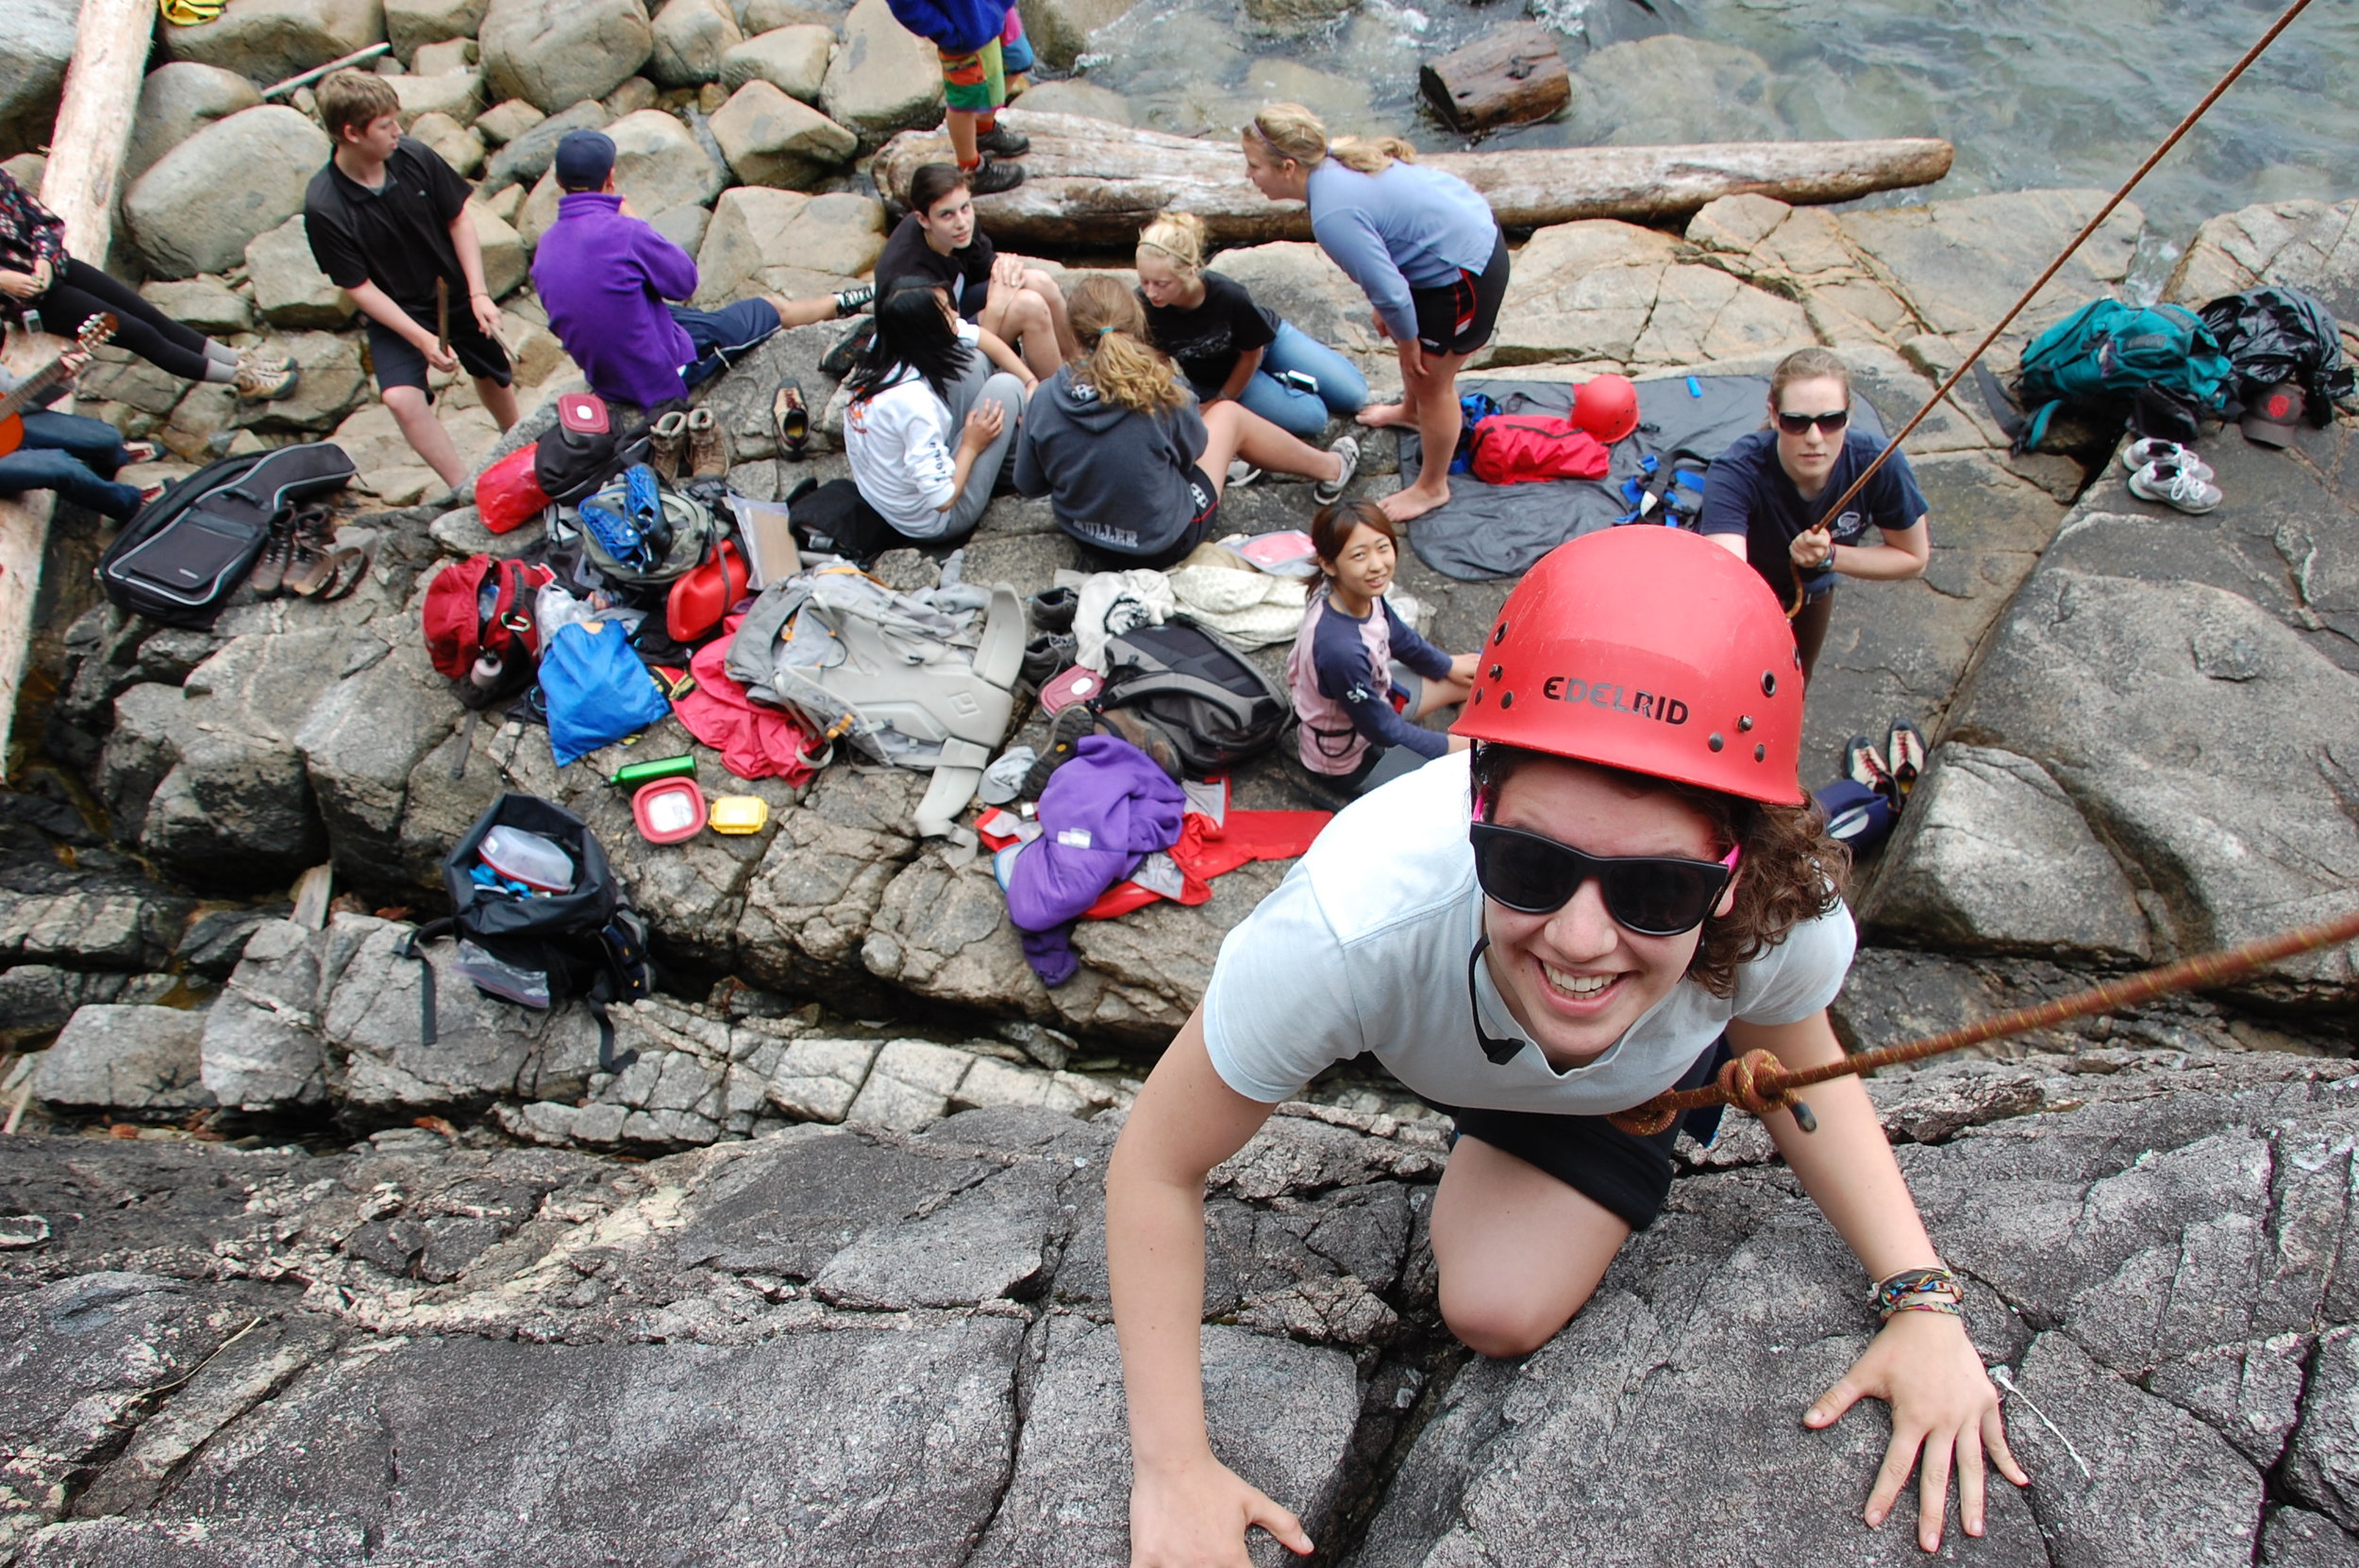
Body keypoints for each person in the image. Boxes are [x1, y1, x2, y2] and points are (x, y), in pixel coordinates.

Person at [1106, 525, 2023, 1566]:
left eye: (1654, 890)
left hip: (1630, 1074)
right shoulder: (1349, 928)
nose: (1581, 938)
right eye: (1529, 866)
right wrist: (1172, 1468)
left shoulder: (1783, 917)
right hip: (1459, 1030)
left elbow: (1796, 1075)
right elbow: (1158, 1161)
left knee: (1497, 1307)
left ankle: (1703, 980)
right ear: (1475, 809)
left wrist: (1921, 1300)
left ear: (1730, 877)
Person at [1240, 103, 1508, 524]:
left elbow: (1394, 295)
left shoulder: (1331, 213)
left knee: (1432, 379)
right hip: (1443, 249)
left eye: (1253, 165)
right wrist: (1395, 316)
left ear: (1288, 166)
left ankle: (1432, 486)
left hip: (1465, 269)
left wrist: (1407, 343)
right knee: (1415, 357)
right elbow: (1386, 260)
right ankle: (1411, 412)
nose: (1248, 175)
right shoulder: (1332, 168)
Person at [1013, 274, 1358, 568]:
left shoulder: (1045, 397)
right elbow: (1194, 449)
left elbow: (1030, 484)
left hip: (1086, 538)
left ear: (1073, 336)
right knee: (1229, 416)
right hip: (1164, 543)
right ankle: (1332, 468)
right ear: (1137, 327)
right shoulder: (1162, 391)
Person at [531, 129, 873, 418]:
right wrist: (634, 220)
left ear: (559, 181)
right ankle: (842, 302)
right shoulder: (625, 232)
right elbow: (684, 282)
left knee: (670, 312)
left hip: (605, 379)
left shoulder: (545, 248)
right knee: (771, 308)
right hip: (662, 379)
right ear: (611, 177)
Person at [304, 69, 517, 492]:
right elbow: (357, 286)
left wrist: (478, 293)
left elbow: (459, 219)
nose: (397, 131)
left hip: (454, 289)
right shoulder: (325, 205)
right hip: (396, 308)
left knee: (493, 371)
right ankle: (463, 487)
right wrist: (421, 338)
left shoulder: (414, 157)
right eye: (385, 125)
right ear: (351, 133)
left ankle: (519, 441)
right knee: (401, 399)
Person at [1698, 347, 1931, 685]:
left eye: (1830, 421)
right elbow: (1728, 578)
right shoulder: (1736, 472)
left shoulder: (1878, 464)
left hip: (1812, 591)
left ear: (1848, 417)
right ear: (1774, 416)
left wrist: (1830, 557)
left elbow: (1913, 557)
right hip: (1749, 587)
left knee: (1795, 683)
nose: (1814, 438)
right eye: (1796, 422)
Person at [0, 164, 293, 402]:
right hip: (34, 304)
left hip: (58, 270)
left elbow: (43, 221)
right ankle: (240, 379)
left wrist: (45, 259)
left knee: (150, 315)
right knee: (140, 334)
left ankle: (236, 360)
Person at [1287, 500, 1473, 794]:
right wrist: (1452, 746)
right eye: (1359, 555)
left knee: (1479, 674)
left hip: (1378, 696)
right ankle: (1468, 749)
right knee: (1457, 786)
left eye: (1383, 547)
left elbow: (1398, 636)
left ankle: (1471, 741)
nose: (1377, 565)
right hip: (1353, 758)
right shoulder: (1340, 650)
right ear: (1328, 564)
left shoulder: (1358, 590)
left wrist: (1447, 666)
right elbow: (1382, 729)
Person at [1134, 210, 1367, 441]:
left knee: (1354, 396)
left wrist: (1221, 402)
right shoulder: (1144, 306)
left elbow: (1252, 353)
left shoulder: (1228, 295)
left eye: (1161, 283)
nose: (1150, 291)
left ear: (1190, 272)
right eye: (1144, 281)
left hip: (1265, 344)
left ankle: (1284, 379)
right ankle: (1285, 389)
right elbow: (1157, 358)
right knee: (1314, 419)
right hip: (1218, 375)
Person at [843, 279, 1032, 545]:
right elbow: (942, 499)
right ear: (926, 331)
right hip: (933, 520)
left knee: (972, 360)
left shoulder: (882, 351)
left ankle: (1001, 460)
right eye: (946, 312)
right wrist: (970, 445)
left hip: (894, 491)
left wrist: (1032, 381)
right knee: (1006, 386)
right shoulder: (912, 403)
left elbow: (973, 335)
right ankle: (1018, 466)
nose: (956, 314)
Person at [875, 165, 1075, 381]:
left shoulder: (959, 230)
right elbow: (957, 350)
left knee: (1039, 281)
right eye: (947, 215)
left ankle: (1078, 363)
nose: (962, 222)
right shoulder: (911, 276)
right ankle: (1059, 393)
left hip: (957, 306)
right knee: (1029, 306)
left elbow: (985, 264)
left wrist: (1004, 268)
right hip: (939, 347)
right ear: (923, 219)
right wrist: (997, 306)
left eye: (965, 207)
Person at [0, 340, 158, 523]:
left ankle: (113, 460)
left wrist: (58, 377)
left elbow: (16, 395)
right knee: (60, 466)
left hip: (7, 422)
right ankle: (129, 504)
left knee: (106, 437)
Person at [881, 0, 1029, 193]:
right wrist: (948, 33)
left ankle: (983, 130)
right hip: (963, 30)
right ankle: (972, 170)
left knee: (1018, 60)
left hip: (997, 8)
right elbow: (905, 5)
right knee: (966, 100)